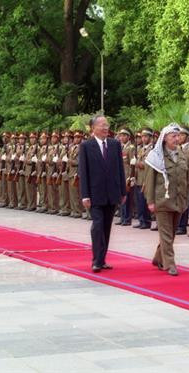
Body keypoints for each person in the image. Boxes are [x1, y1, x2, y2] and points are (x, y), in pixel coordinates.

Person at [79, 115, 127, 273]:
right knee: (97, 226)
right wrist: (85, 195)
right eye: (102, 125)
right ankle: (96, 260)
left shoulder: (114, 144)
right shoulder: (86, 145)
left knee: (106, 227)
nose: (106, 127)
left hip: (112, 193)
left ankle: (102, 259)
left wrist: (122, 191)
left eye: (107, 125)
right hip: (95, 194)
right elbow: (83, 172)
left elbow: (120, 169)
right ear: (93, 128)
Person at [145, 123, 189, 276]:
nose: (177, 139)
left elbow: (185, 179)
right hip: (162, 201)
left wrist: (186, 199)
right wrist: (150, 201)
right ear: (165, 139)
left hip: (179, 201)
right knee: (166, 234)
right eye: (173, 136)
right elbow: (149, 181)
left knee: (171, 233)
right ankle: (169, 264)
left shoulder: (182, 154)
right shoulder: (155, 156)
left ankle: (158, 257)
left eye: (178, 136)